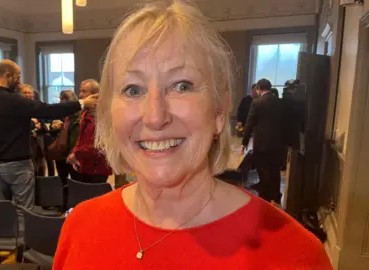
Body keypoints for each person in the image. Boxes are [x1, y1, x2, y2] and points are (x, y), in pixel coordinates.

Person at [53, 2, 332, 269]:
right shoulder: (80, 226)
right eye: (133, 90)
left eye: (182, 85)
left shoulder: (294, 252)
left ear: (219, 112)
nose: (155, 116)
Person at [0, 59, 98, 268]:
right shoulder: (15, 101)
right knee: (24, 212)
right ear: (9, 76)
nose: (20, 82)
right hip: (18, 166)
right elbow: (49, 110)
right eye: (18, 77)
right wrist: (82, 103)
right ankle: (23, 260)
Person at [243, 78, 284, 204]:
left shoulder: (257, 103)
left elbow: (249, 124)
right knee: (274, 170)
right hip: (277, 143)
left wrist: (244, 142)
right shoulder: (280, 102)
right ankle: (276, 195)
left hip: (261, 143)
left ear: (258, 88)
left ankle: (265, 197)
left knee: (262, 169)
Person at [66, 79, 112, 183]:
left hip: (98, 168)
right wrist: (75, 154)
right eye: (80, 91)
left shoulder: (103, 116)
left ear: (95, 95)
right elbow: (80, 139)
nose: (80, 95)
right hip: (84, 166)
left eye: (84, 91)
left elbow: (99, 146)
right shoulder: (85, 113)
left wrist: (76, 155)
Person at [53, 90, 80, 185]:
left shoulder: (79, 116)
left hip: (72, 153)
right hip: (62, 153)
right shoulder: (62, 114)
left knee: (75, 181)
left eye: (62, 99)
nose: (60, 102)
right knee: (62, 181)